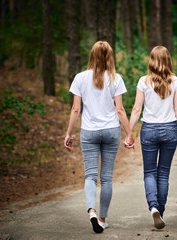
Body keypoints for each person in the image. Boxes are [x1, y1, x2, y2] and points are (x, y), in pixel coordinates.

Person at [64, 41, 134, 234]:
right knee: (107, 178)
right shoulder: (116, 78)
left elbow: (76, 108)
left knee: (90, 176)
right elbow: (120, 110)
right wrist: (129, 134)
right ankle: (102, 219)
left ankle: (92, 212)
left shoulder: (79, 78)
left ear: (92, 56)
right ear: (109, 57)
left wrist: (69, 133)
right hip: (111, 131)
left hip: (89, 132)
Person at [126, 46, 177, 229]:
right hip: (170, 130)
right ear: (168, 60)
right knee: (163, 174)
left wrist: (129, 134)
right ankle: (160, 211)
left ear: (151, 60)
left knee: (149, 172)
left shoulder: (143, 82)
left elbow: (137, 109)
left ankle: (153, 207)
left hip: (149, 130)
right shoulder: (174, 81)